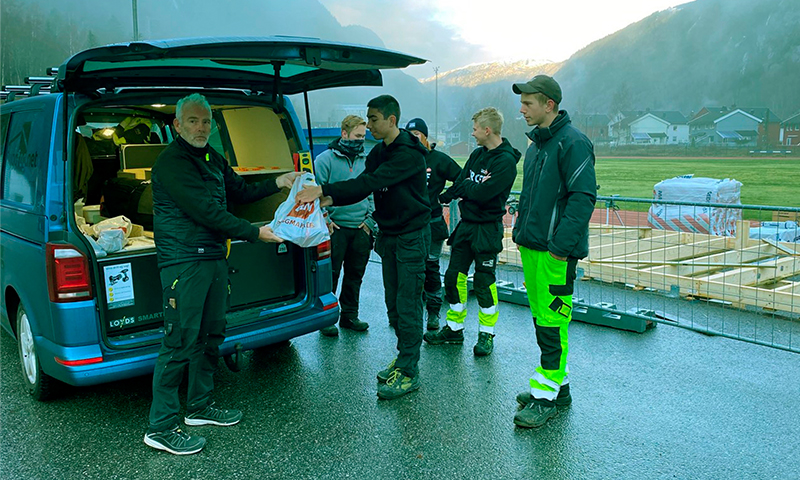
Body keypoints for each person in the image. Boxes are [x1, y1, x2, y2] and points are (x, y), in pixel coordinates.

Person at [144, 93, 299, 454]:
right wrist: (254, 232)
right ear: (177, 125)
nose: (201, 127)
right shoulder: (171, 163)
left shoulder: (211, 157)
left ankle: (199, 407)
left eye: (206, 121)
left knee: (211, 335)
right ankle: (161, 426)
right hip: (184, 262)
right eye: (193, 121)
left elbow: (240, 191)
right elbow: (205, 212)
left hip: (212, 257)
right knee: (180, 341)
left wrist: (279, 182)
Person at [296, 95, 430, 400]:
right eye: (367, 120)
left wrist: (325, 190)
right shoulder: (377, 153)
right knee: (394, 305)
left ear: (391, 120)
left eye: (373, 119)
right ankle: (404, 356)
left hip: (411, 236)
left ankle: (409, 371)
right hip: (391, 235)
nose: (368, 125)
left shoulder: (409, 155)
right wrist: (327, 199)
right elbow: (366, 182)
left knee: (408, 303)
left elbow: (373, 181)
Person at [510, 75, 597, 428]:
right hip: (531, 248)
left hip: (554, 254)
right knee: (540, 317)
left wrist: (560, 249)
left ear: (549, 104)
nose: (522, 109)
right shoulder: (536, 147)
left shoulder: (573, 143)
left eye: (528, 103)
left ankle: (544, 398)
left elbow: (583, 198)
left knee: (553, 321)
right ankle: (557, 386)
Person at [423, 107, 520, 356]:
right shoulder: (477, 154)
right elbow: (462, 182)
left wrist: (466, 187)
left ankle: (486, 335)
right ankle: (454, 330)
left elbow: (482, 193)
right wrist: (444, 197)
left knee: (485, 282)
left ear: (487, 130)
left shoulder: (506, 161)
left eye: (475, 129)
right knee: (454, 277)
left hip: (487, 230)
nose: (473, 133)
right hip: (465, 226)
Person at [315, 115, 377, 337]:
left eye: (364, 136)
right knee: (330, 275)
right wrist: (326, 219)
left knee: (355, 275)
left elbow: (371, 191)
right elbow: (316, 193)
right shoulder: (324, 160)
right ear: (344, 133)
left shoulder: (367, 161)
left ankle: (350, 316)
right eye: (357, 135)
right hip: (335, 229)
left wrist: (369, 221)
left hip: (360, 229)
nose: (361, 140)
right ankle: (327, 319)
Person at [405, 118, 462, 331]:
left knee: (431, 267)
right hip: (410, 223)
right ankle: (411, 314)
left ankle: (433, 312)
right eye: (409, 135)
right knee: (412, 268)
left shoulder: (438, 160)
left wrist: (446, 196)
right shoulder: (406, 158)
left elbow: (462, 177)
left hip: (433, 222)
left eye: (417, 135)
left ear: (425, 136)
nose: (413, 139)